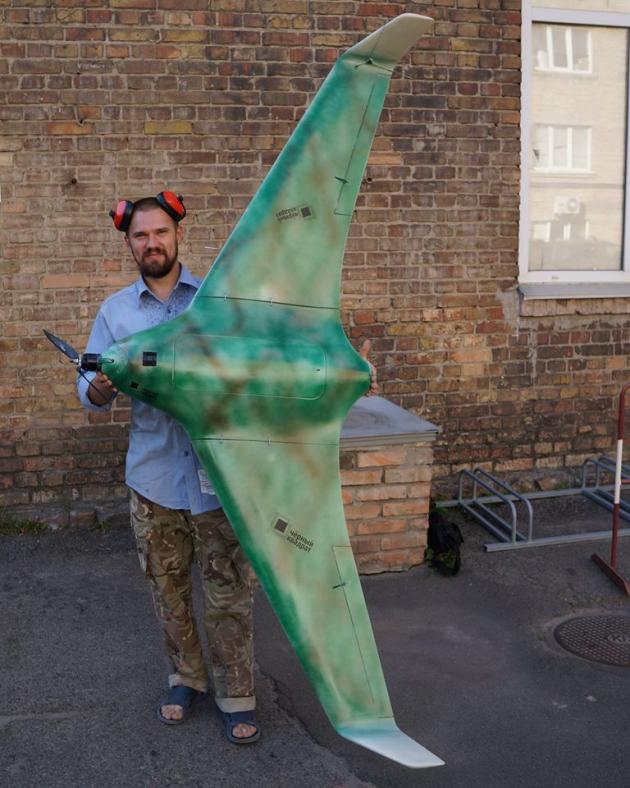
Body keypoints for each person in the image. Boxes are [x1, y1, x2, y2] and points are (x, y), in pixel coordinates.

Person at [77, 191, 378, 745]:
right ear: (129, 243)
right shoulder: (115, 312)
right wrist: (97, 386)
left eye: (159, 232)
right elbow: (88, 388)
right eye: (140, 236)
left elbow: (277, 355)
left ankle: (237, 695)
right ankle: (185, 680)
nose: (151, 243)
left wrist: (335, 369)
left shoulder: (223, 302)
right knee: (168, 593)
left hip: (221, 483)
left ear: (177, 235)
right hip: (154, 481)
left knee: (229, 595)